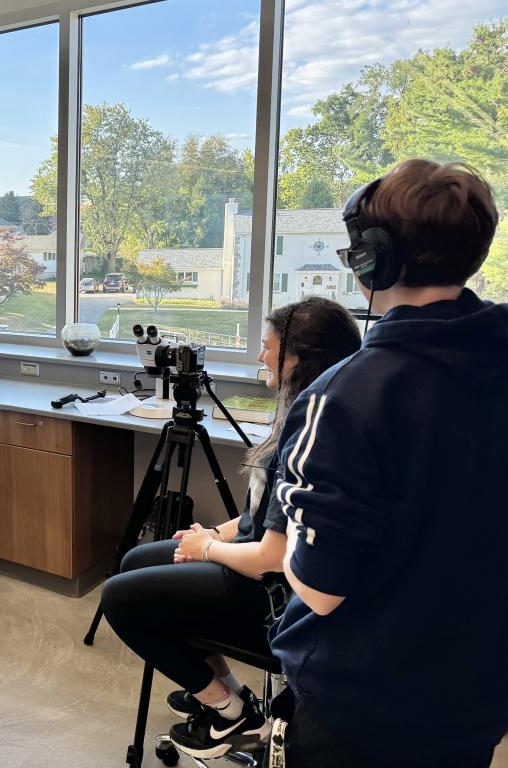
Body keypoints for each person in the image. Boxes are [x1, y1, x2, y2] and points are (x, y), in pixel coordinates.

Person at [267, 160, 508, 767]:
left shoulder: (341, 397)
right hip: (476, 691)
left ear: (373, 258)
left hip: (361, 707)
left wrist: (284, 539)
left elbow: (321, 590)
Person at [100, 297, 361, 760]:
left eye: (267, 347)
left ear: (298, 357)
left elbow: (270, 558)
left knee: (119, 598)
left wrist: (206, 550)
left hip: (272, 598)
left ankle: (230, 713)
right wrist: (215, 534)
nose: (261, 356)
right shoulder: (297, 412)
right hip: (249, 565)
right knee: (136, 561)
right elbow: (263, 513)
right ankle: (231, 695)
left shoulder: (315, 433)